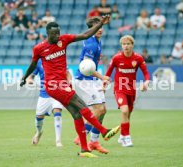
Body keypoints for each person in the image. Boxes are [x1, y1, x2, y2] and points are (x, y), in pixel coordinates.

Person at [20, 15, 120, 158]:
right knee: (81, 104)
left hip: (63, 84)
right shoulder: (39, 48)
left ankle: (85, 150)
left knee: (77, 114)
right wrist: (24, 77)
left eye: (58, 32)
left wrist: (100, 24)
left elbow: (86, 34)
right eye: (54, 33)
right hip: (53, 85)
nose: (57, 36)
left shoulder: (64, 40)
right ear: (47, 33)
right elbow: (33, 64)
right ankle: (104, 131)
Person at [105, 35, 150, 147]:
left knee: (128, 114)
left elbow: (146, 73)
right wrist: (104, 82)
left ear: (132, 45)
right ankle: (127, 138)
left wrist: (146, 82)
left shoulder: (138, 58)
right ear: (121, 45)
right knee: (124, 111)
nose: (126, 46)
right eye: (124, 44)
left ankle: (121, 136)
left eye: (128, 44)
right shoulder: (116, 58)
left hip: (131, 89)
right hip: (119, 89)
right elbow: (108, 72)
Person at [73, 17, 110, 154]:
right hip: (84, 80)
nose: (100, 29)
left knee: (103, 109)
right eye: (96, 27)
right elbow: (86, 68)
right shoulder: (91, 43)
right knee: (98, 109)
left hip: (91, 80)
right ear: (91, 30)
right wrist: (102, 77)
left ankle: (94, 142)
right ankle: (82, 135)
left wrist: (100, 80)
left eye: (100, 26)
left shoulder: (97, 41)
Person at [27, 59, 71, 147]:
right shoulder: (39, 62)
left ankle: (58, 140)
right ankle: (39, 132)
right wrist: (29, 80)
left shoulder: (58, 59)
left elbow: (68, 74)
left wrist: (69, 83)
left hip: (58, 91)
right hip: (44, 94)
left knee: (57, 112)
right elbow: (31, 76)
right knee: (39, 117)